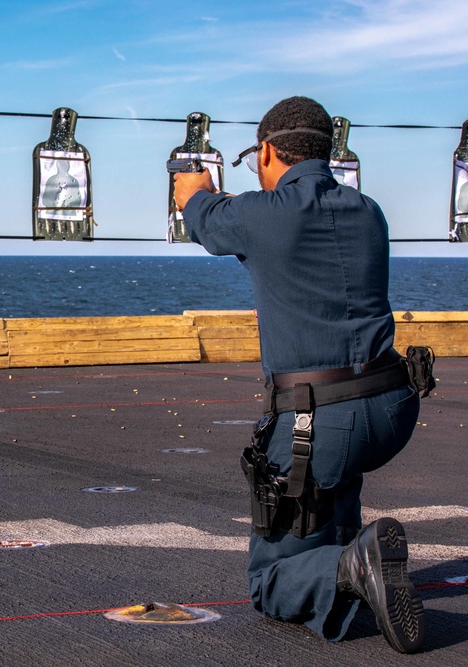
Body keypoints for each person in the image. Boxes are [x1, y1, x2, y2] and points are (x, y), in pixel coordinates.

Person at [172, 96, 426, 653]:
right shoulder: (368, 210)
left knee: (269, 584)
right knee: (331, 484)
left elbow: (206, 221)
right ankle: (354, 554)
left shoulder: (263, 213)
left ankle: (351, 564)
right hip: (391, 408)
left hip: (318, 423)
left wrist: (190, 187)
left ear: (265, 150)